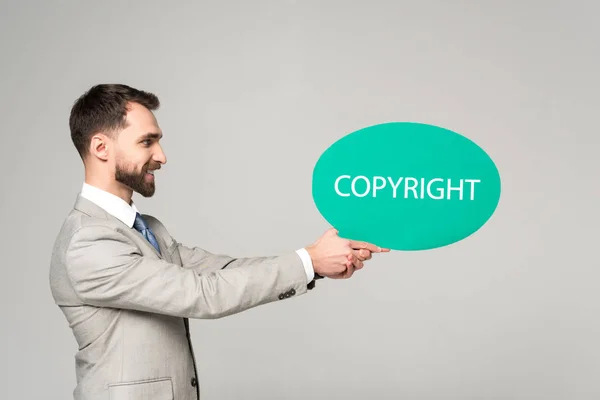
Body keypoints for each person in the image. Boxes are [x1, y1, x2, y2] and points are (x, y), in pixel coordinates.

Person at [49, 84, 389, 400]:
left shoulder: (146, 227)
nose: (162, 156)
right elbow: (203, 294)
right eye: (146, 142)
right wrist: (309, 261)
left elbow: (220, 271)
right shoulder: (88, 241)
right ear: (101, 147)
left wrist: (314, 263)